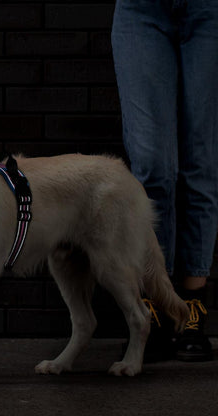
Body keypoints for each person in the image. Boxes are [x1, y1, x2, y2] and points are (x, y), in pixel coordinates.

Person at [111, 0, 218, 361]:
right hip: (140, 12)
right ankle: (154, 305)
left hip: (208, 12)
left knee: (200, 165)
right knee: (153, 169)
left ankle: (192, 308)